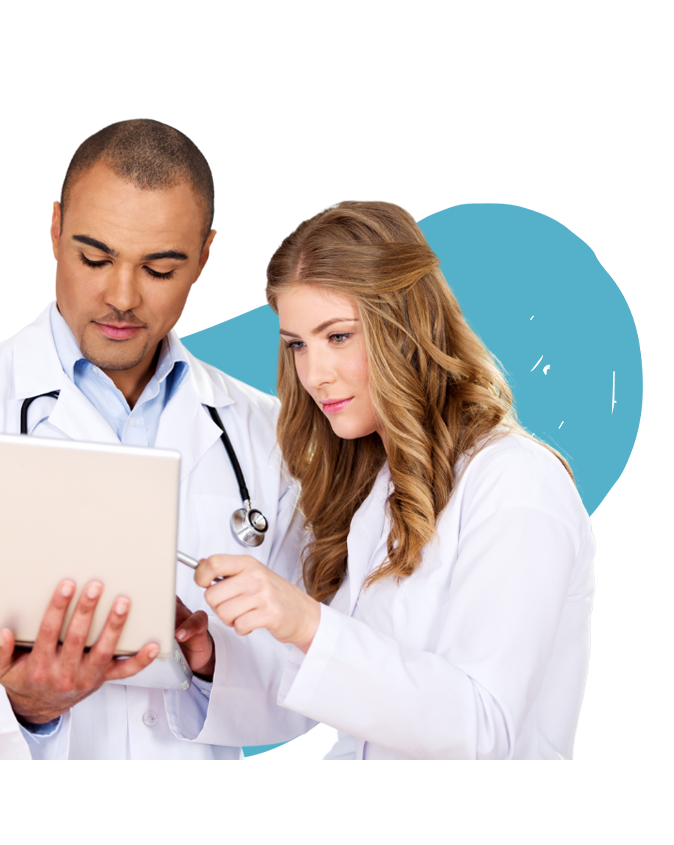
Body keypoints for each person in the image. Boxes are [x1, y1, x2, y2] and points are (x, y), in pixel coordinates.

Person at [0, 119, 314, 760]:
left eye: (158, 268)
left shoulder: (269, 432)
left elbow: (303, 684)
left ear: (203, 260)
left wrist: (212, 666)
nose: (121, 297)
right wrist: (21, 704)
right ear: (55, 231)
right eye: (94, 258)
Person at [189, 201, 595, 759]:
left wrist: (306, 621)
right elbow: (353, 693)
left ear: (406, 326)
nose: (312, 374)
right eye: (297, 344)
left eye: (338, 337)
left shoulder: (515, 482)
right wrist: (210, 660)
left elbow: (483, 728)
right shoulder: (378, 492)